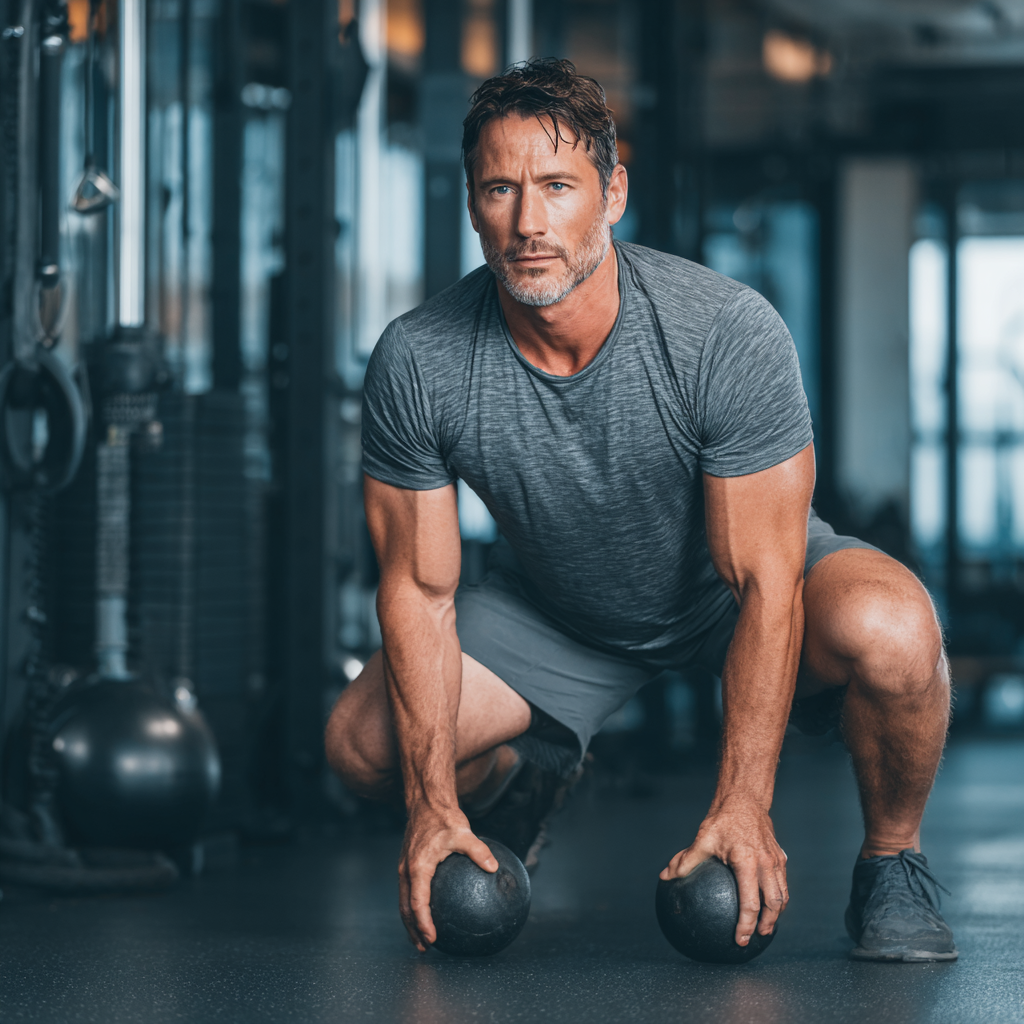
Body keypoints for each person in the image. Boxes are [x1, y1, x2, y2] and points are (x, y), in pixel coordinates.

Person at [325, 58, 956, 964]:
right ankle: (521, 782)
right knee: (360, 745)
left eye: (557, 186)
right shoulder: (420, 361)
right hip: (556, 611)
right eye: (499, 189)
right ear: (470, 203)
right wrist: (435, 807)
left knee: (896, 630)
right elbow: (418, 593)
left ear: (612, 193)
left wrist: (743, 802)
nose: (529, 222)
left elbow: (766, 584)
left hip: (722, 597)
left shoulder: (722, 332)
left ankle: (893, 863)